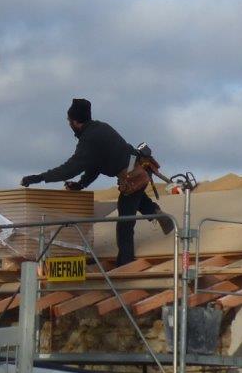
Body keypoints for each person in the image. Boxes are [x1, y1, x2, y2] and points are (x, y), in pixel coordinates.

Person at [20, 98, 173, 266]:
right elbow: (96, 164)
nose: (68, 124)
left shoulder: (89, 140)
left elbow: (70, 168)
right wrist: (81, 184)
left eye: (69, 121)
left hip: (132, 174)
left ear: (76, 122)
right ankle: (156, 212)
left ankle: (126, 263)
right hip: (134, 168)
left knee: (125, 221)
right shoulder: (100, 127)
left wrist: (38, 178)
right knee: (134, 199)